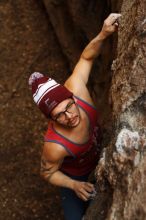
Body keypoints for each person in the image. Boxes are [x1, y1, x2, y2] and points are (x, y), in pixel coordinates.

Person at [29, 13, 121, 220]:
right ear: (51, 120)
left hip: (100, 153)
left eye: (69, 106)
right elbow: (47, 173)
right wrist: (73, 184)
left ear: (71, 96)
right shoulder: (55, 146)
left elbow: (86, 57)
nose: (69, 116)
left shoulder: (77, 88)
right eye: (59, 115)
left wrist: (103, 33)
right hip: (77, 174)